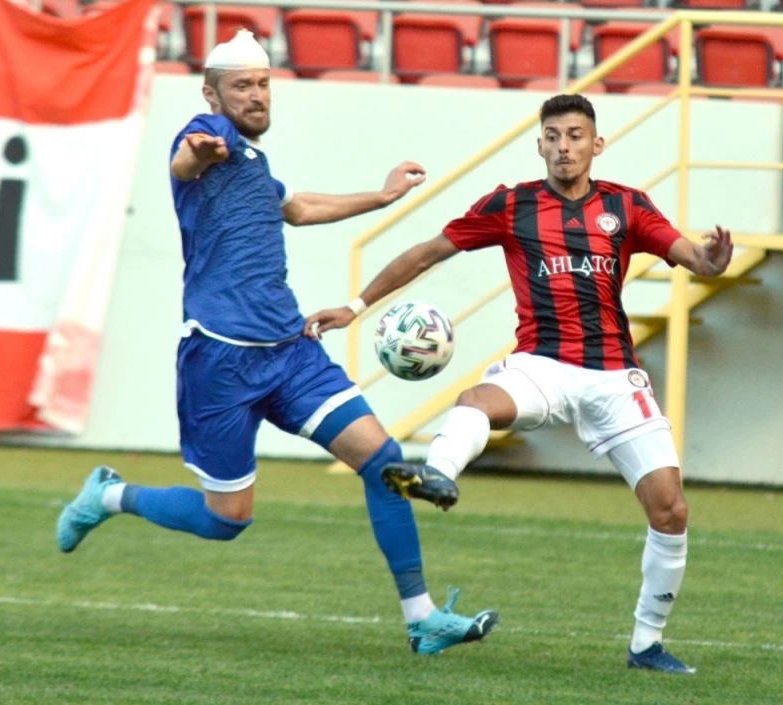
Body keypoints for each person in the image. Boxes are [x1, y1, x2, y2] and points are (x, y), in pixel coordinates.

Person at [55, 29, 498, 656]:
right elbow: (185, 159)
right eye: (242, 86)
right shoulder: (209, 136)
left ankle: (421, 618)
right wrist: (199, 149)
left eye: (263, 84)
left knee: (385, 462)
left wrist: (382, 196)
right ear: (212, 94)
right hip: (220, 361)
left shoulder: (255, 166)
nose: (256, 96)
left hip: (290, 353)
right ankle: (109, 495)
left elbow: (301, 207)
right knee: (226, 520)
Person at [304, 94, 734, 674]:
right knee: (477, 401)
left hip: (614, 375)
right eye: (553, 136)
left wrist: (711, 259)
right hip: (542, 365)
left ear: (596, 144)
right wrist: (355, 307)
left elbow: (694, 258)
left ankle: (646, 646)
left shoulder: (627, 205)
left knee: (671, 511)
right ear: (539, 145)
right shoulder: (511, 205)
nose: (564, 147)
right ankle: (436, 474)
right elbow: (428, 252)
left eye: (575, 136)